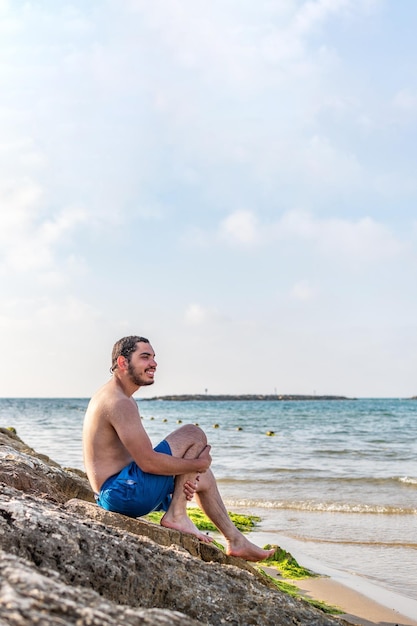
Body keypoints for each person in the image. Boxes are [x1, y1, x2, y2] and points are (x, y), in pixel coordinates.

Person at [83, 335, 275, 562]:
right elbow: (148, 462)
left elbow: (146, 462)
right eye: (145, 357)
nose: (153, 363)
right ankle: (177, 514)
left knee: (204, 477)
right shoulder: (118, 401)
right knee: (194, 435)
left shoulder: (117, 396)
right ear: (123, 363)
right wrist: (197, 463)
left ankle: (236, 541)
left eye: (154, 357)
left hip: (116, 492)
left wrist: (196, 470)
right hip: (122, 492)